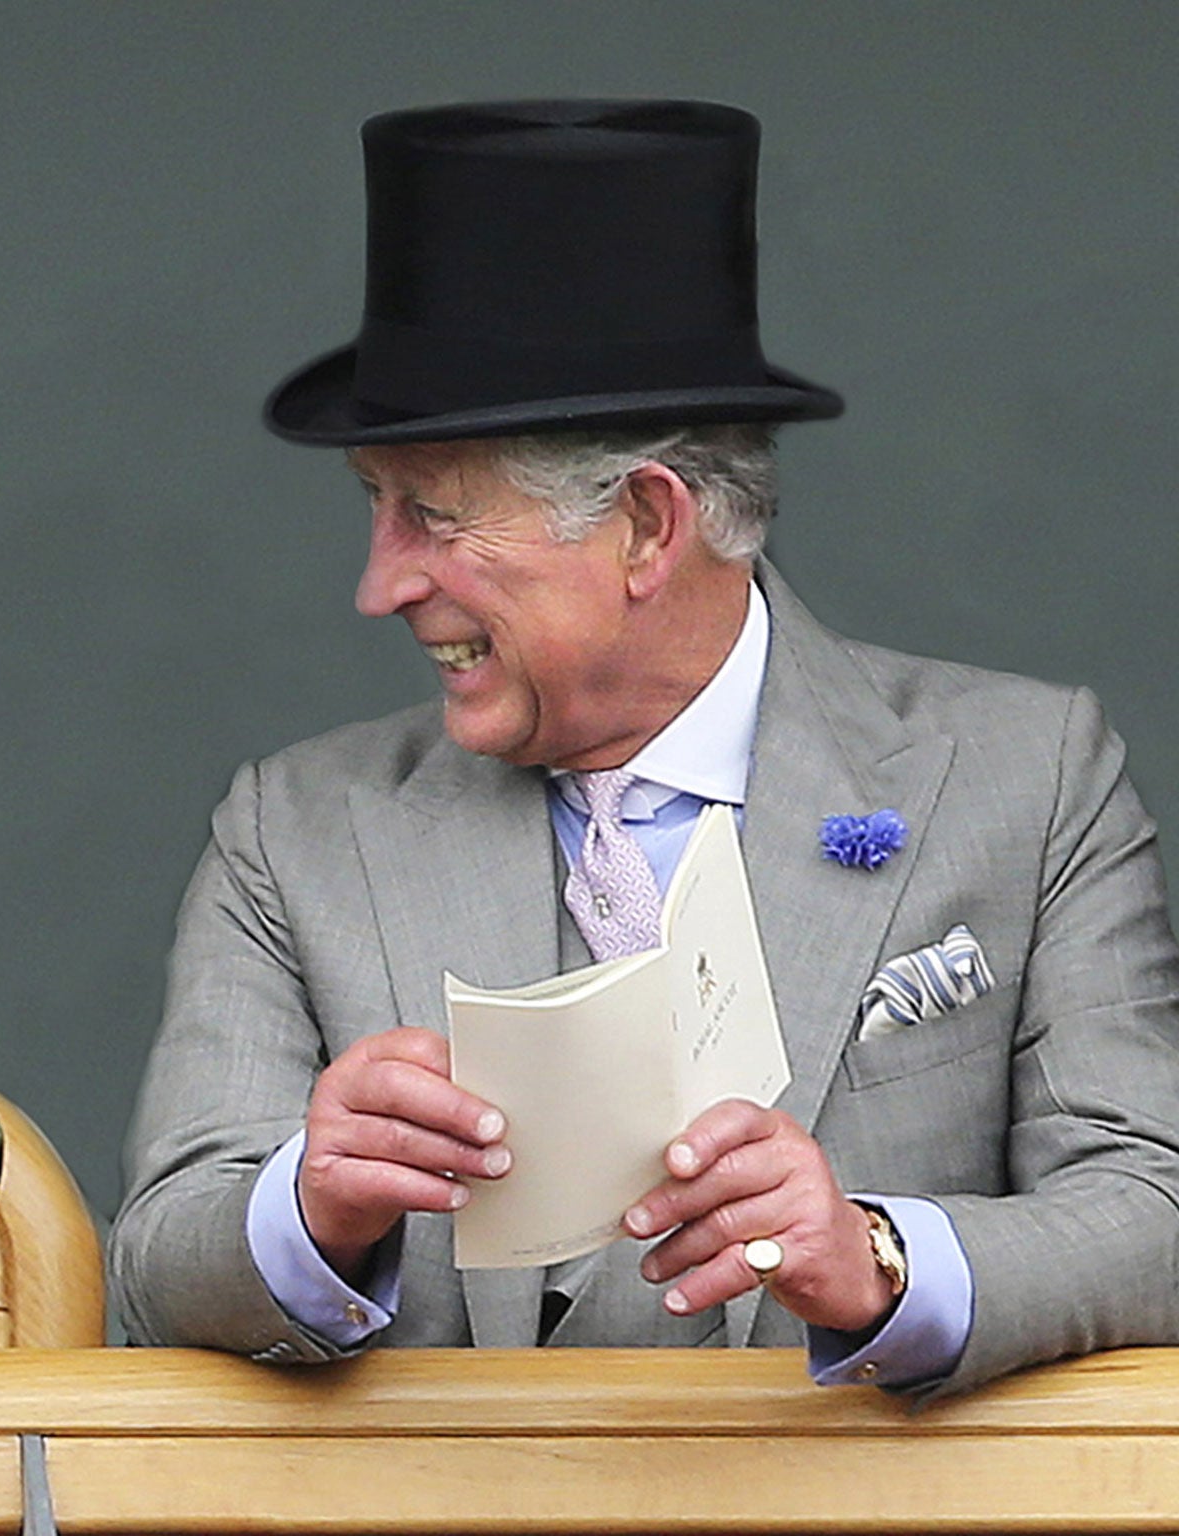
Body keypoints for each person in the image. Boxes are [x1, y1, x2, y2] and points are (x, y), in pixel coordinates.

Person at [109, 99, 1179, 1397]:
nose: (381, 583)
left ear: (647, 529)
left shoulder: (1032, 780)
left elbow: (1153, 1213)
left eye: (434, 517)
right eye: (374, 508)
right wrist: (308, 1211)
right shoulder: (294, 830)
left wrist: (883, 1261)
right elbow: (159, 1265)